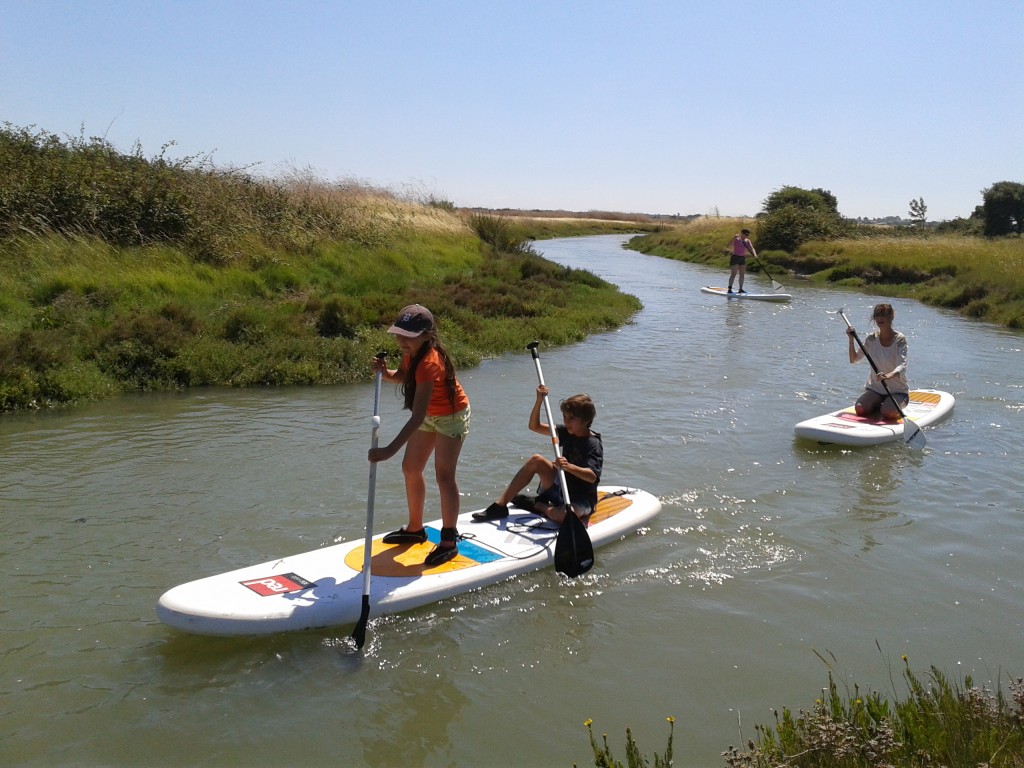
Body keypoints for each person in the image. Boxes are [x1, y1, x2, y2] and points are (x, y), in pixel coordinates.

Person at [368, 304, 470, 566]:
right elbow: (401, 377)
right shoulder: (411, 352)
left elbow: (416, 415)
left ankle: (448, 541)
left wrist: (389, 450)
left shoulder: (428, 362)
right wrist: (384, 372)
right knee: (411, 468)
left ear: (426, 336)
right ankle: (415, 529)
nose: (401, 340)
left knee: (444, 475)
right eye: (399, 333)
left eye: (408, 335)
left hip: (451, 415)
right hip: (428, 416)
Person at [472, 386, 602, 526]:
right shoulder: (567, 431)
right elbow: (534, 426)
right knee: (536, 460)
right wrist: (539, 401)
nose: (566, 421)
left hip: (581, 500)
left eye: (572, 418)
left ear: (585, 421)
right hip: (560, 490)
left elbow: (592, 476)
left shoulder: (593, 444)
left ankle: (539, 505)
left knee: (565, 516)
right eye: (565, 416)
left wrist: (568, 466)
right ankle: (500, 506)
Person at [846, 303, 909, 420]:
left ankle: (888, 406)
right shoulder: (871, 339)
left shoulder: (900, 339)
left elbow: (902, 365)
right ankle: (879, 404)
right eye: (877, 315)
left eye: (883, 315)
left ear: (891, 317)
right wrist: (851, 340)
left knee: (887, 413)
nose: (879, 318)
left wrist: (888, 376)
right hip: (875, 389)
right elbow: (853, 359)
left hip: (898, 391)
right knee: (860, 409)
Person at [724, 228, 756, 294]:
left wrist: (755, 254)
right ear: (742, 234)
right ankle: (729, 288)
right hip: (735, 257)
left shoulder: (747, 241)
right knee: (734, 274)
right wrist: (733, 237)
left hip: (742, 258)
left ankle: (740, 289)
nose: (747, 236)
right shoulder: (736, 239)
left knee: (742, 274)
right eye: (746, 234)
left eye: (748, 235)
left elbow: (752, 248)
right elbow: (729, 245)